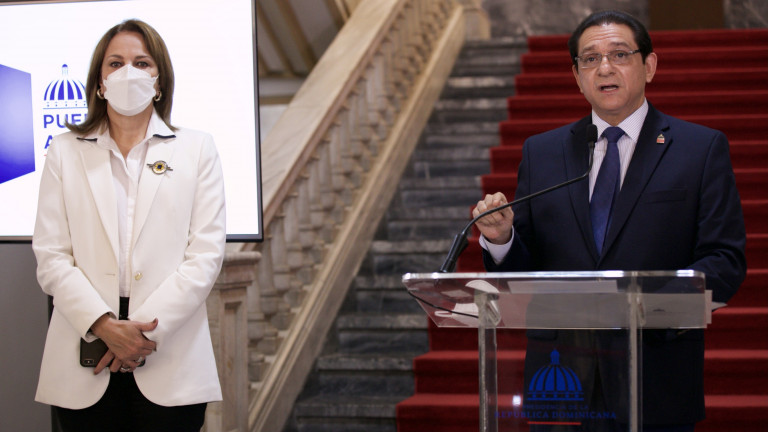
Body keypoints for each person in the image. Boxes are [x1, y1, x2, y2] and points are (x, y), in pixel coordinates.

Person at [473, 10, 746, 432]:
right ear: (577, 76)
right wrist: (501, 238)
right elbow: (525, 271)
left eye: (619, 54)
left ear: (649, 66)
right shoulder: (542, 153)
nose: (604, 68)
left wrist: (644, 306)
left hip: (654, 372)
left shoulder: (699, 148)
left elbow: (724, 260)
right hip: (562, 378)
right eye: (590, 59)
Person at [32, 19, 226, 432]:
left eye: (142, 63)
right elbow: (51, 256)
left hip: (169, 350)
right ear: (100, 83)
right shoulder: (64, 151)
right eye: (115, 63)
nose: (128, 73)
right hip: (85, 347)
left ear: (159, 81)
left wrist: (138, 335)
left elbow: (205, 256)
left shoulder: (197, 149)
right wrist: (104, 326)